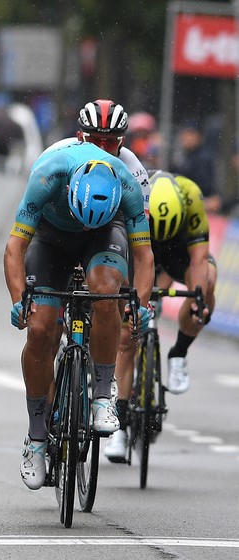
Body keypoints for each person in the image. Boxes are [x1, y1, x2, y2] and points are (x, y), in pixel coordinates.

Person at [5, 141, 154, 490]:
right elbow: (15, 247)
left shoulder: (127, 185)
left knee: (106, 293)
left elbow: (144, 256)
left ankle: (103, 395)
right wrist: (18, 300)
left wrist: (141, 304)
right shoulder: (47, 176)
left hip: (105, 234)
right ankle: (37, 437)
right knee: (41, 329)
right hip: (50, 237)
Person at [104, 171, 216, 461]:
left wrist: (198, 299)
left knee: (208, 282)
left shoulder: (190, 195)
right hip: (141, 247)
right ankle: (119, 426)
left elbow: (199, 259)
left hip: (177, 249)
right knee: (127, 334)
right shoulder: (133, 193)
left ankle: (178, 353)